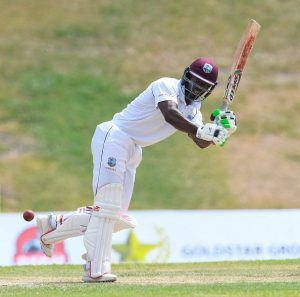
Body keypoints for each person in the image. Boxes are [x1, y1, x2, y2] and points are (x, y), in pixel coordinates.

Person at [36, 57, 237, 282]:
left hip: (133, 150)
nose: (195, 89)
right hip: (114, 137)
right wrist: (202, 131)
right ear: (186, 75)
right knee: (107, 207)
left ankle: (53, 226)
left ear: (209, 90)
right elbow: (170, 114)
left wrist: (219, 130)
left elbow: (201, 142)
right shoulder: (166, 86)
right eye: (193, 82)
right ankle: (95, 269)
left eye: (202, 87)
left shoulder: (193, 110)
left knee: (117, 216)